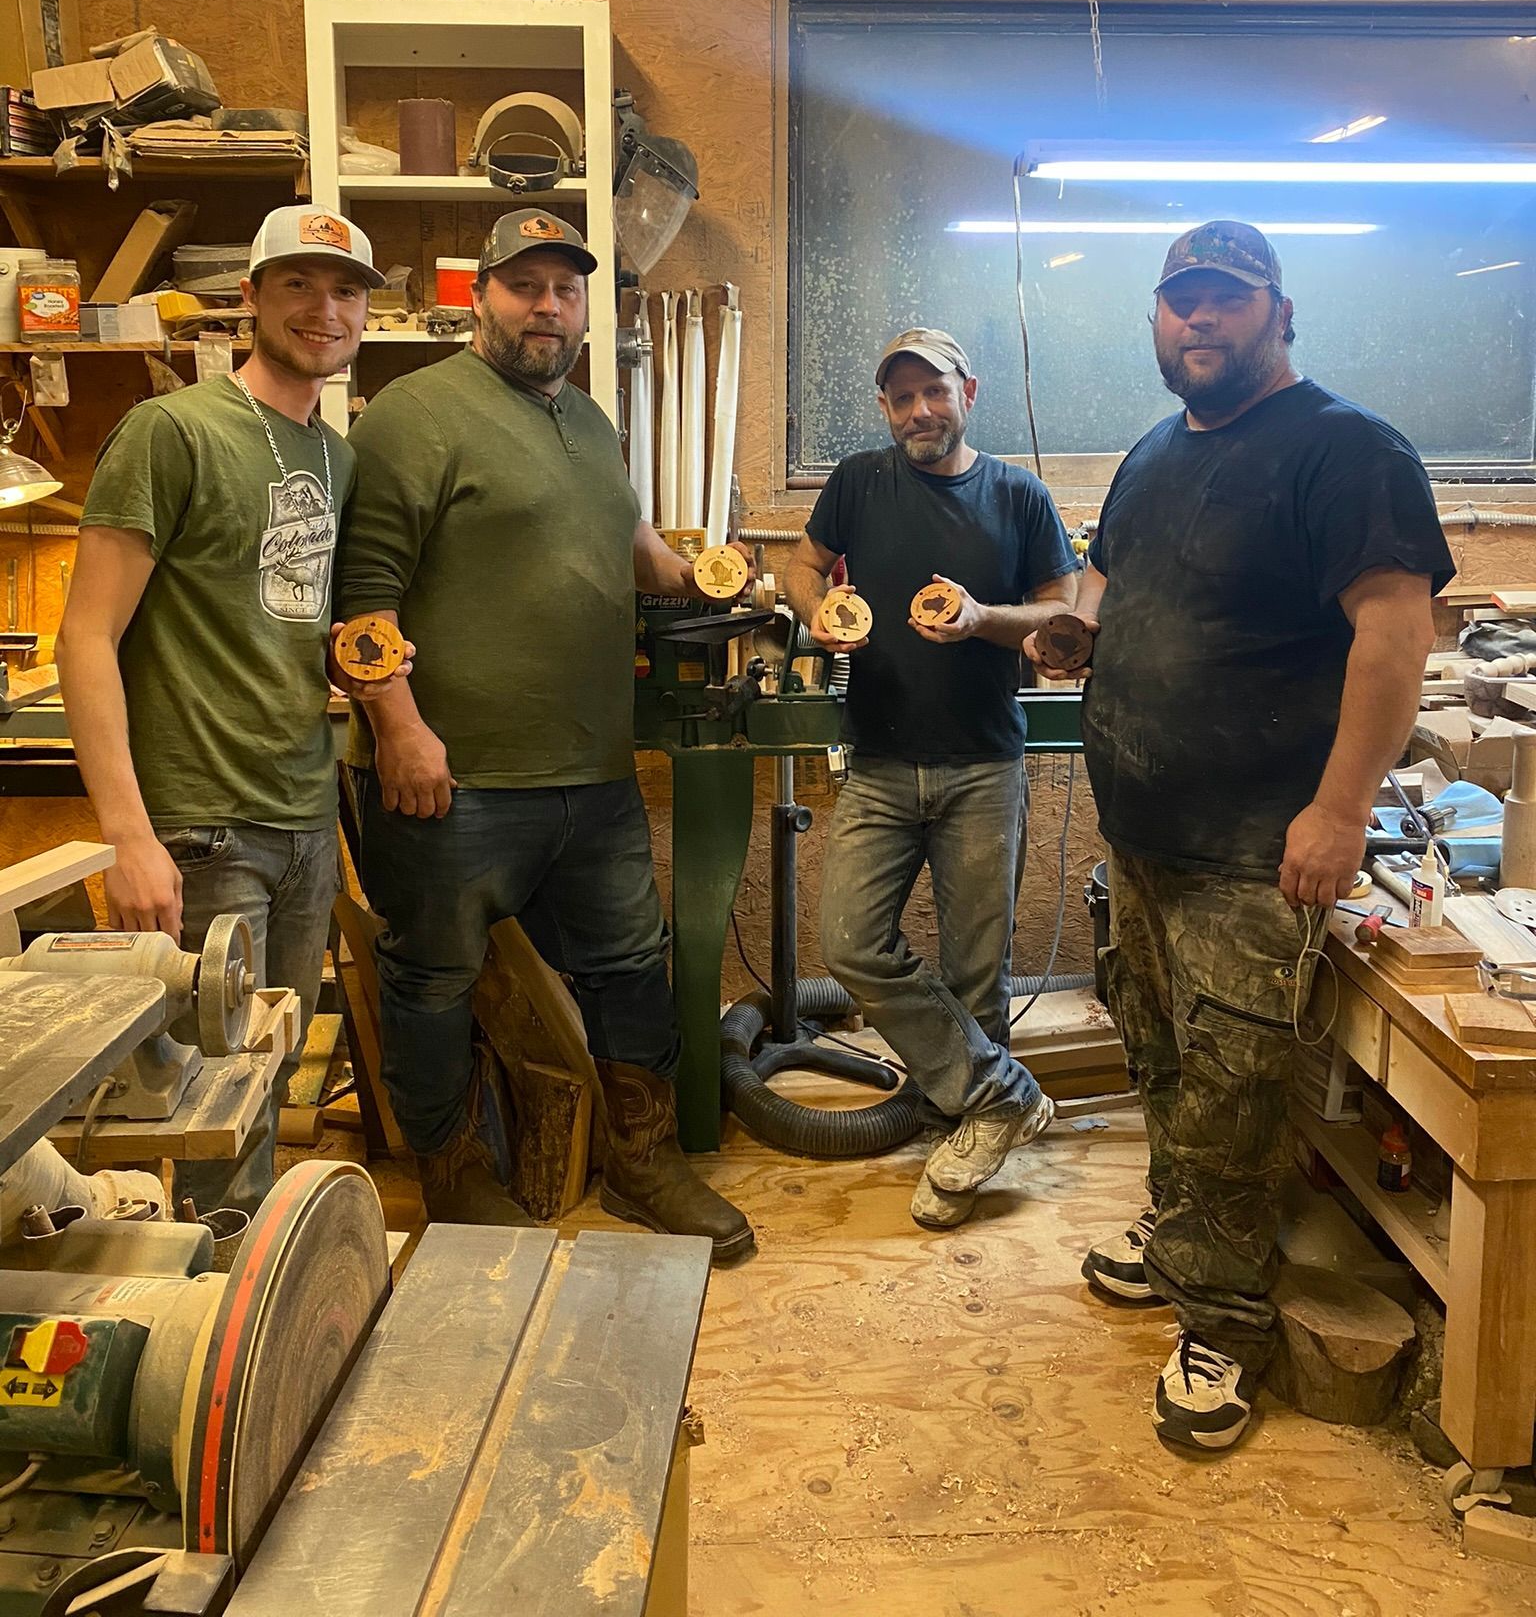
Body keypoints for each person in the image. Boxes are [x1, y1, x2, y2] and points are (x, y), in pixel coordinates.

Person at [1028, 220, 1454, 1455]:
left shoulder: (1346, 449)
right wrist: (1069, 629)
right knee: (1159, 1054)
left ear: (1278, 311)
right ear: (1156, 320)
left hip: (1255, 848)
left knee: (1233, 1085)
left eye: (1225, 299)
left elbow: (1395, 635)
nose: (1198, 320)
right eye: (1179, 302)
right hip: (1149, 835)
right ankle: (1178, 1237)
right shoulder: (1156, 453)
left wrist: (1337, 809)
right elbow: (1105, 590)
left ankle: (1224, 1323)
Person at [334, 207, 754, 1261]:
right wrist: (400, 728)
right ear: (482, 294)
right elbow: (363, 603)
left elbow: (631, 542)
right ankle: (455, 1176)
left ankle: (642, 1159)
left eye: (566, 288)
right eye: (525, 285)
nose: (548, 306)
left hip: (591, 770)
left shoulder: (592, 421)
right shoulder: (413, 414)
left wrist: (711, 572)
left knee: (628, 968)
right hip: (456, 776)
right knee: (431, 978)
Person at [58, 204, 390, 1219]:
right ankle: (212, 1327)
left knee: (268, 1081)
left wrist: (355, 665)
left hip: (298, 811)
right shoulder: (173, 431)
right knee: (208, 1100)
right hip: (202, 825)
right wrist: (128, 833)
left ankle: (250, 1311)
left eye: (344, 290)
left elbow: (282, 617)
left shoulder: (336, 455)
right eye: (296, 283)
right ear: (248, 298)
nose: (321, 309)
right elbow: (85, 636)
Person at [785, 328, 1080, 1230]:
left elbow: (1065, 614)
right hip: (876, 760)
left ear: (969, 392)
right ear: (884, 408)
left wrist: (986, 616)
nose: (920, 410)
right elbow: (800, 566)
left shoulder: (1019, 495)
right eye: (902, 397)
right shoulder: (859, 482)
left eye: (935, 392)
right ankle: (1001, 1095)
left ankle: (966, 1143)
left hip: (985, 762)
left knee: (976, 971)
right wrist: (819, 611)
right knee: (849, 940)